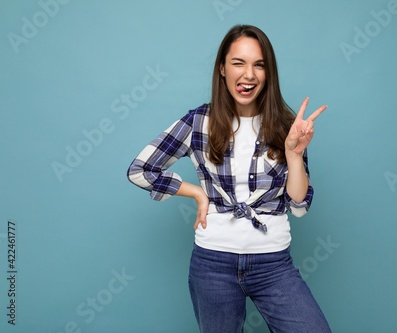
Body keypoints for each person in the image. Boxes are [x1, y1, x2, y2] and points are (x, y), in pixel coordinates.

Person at [127, 24, 331, 333]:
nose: (248, 74)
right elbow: (141, 169)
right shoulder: (199, 121)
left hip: (274, 265)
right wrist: (197, 193)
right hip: (213, 265)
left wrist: (293, 153)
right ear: (222, 68)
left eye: (258, 65)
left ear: (268, 73)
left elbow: (299, 205)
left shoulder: (288, 126)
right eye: (239, 63)